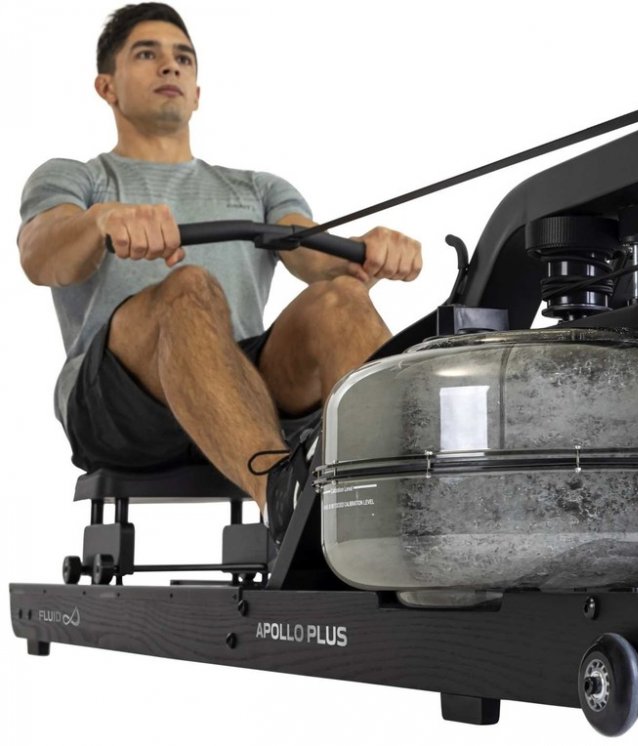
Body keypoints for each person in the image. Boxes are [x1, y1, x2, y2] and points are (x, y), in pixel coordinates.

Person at [16, 3, 422, 545]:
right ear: (106, 87)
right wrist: (100, 221)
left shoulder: (257, 188)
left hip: (241, 390)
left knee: (342, 299)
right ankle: (287, 501)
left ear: (198, 94)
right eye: (147, 55)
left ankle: (403, 507)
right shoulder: (77, 178)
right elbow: (39, 254)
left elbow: (319, 257)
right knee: (189, 286)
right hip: (120, 406)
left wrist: (371, 252)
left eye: (183, 58)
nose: (170, 66)